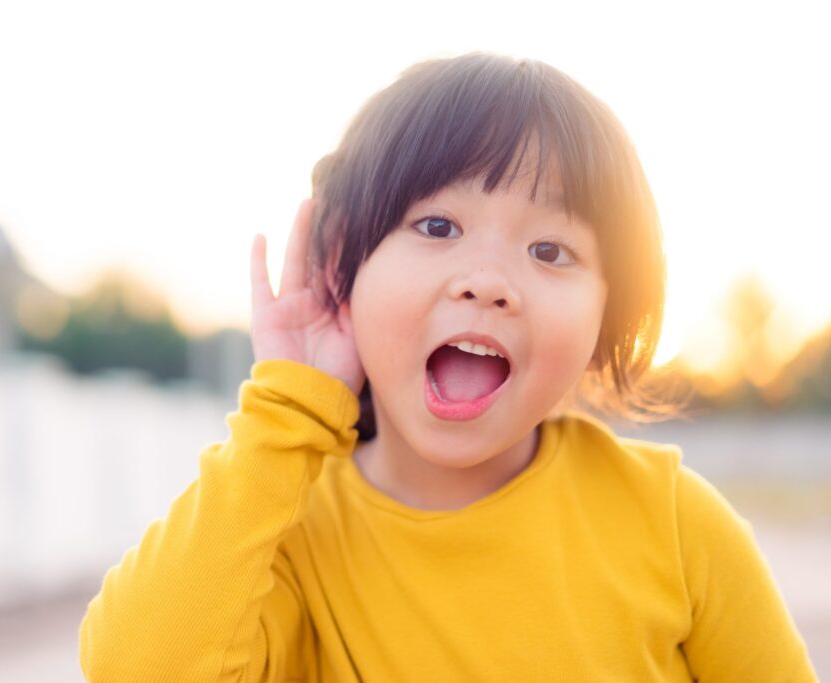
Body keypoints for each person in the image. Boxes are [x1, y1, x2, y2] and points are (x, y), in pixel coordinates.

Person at [79, 53, 816, 681]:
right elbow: (133, 664)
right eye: (437, 226)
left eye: (550, 250)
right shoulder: (285, 533)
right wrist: (288, 409)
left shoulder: (676, 525)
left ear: (608, 312)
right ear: (343, 266)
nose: (487, 281)